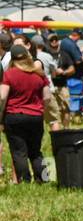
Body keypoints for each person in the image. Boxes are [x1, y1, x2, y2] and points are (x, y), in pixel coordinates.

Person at [0, 44, 53, 183]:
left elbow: (2, 97)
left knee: (19, 152)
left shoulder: (9, 74)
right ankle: (44, 179)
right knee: (36, 150)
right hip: (36, 116)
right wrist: (40, 109)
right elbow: (47, 97)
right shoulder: (39, 74)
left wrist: (1, 115)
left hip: (14, 116)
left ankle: (24, 181)